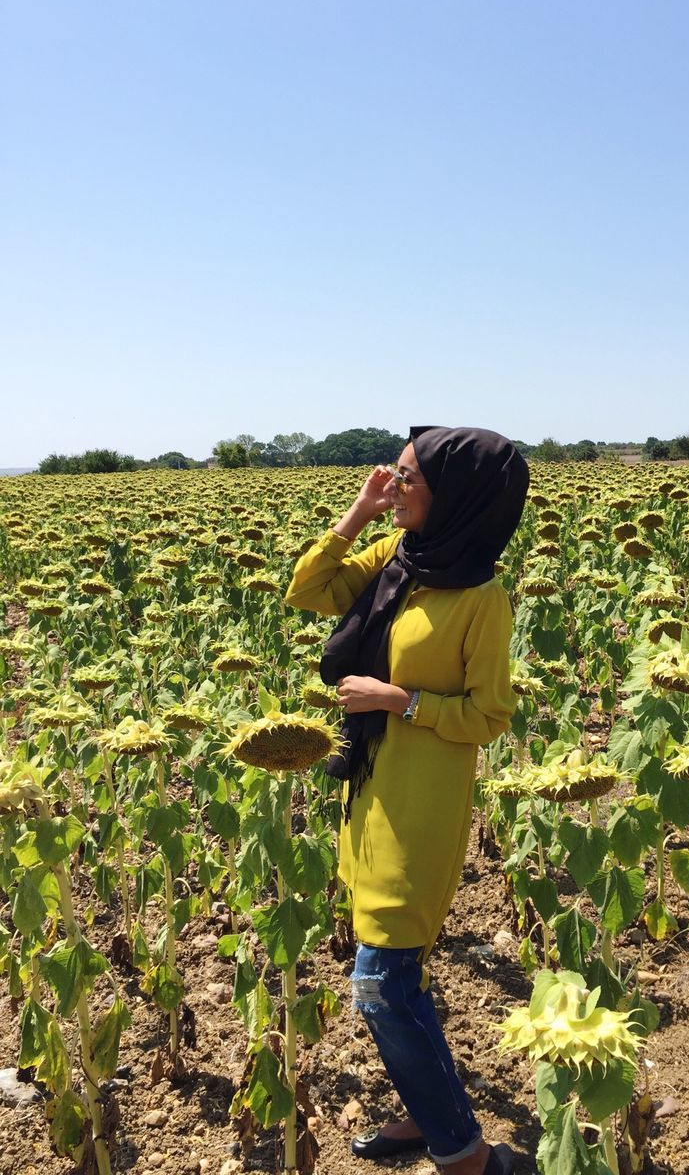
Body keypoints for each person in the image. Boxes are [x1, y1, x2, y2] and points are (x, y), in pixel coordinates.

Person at [284, 426, 529, 1175]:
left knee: (381, 979)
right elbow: (308, 590)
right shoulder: (399, 558)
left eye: (406, 478)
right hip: (370, 794)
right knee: (400, 976)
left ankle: (467, 1154)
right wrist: (358, 512)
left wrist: (401, 699)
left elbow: (489, 716)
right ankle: (424, 1114)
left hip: (422, 805)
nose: (394, 486)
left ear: (456, 497)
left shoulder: (481, 598)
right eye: (392, 474)